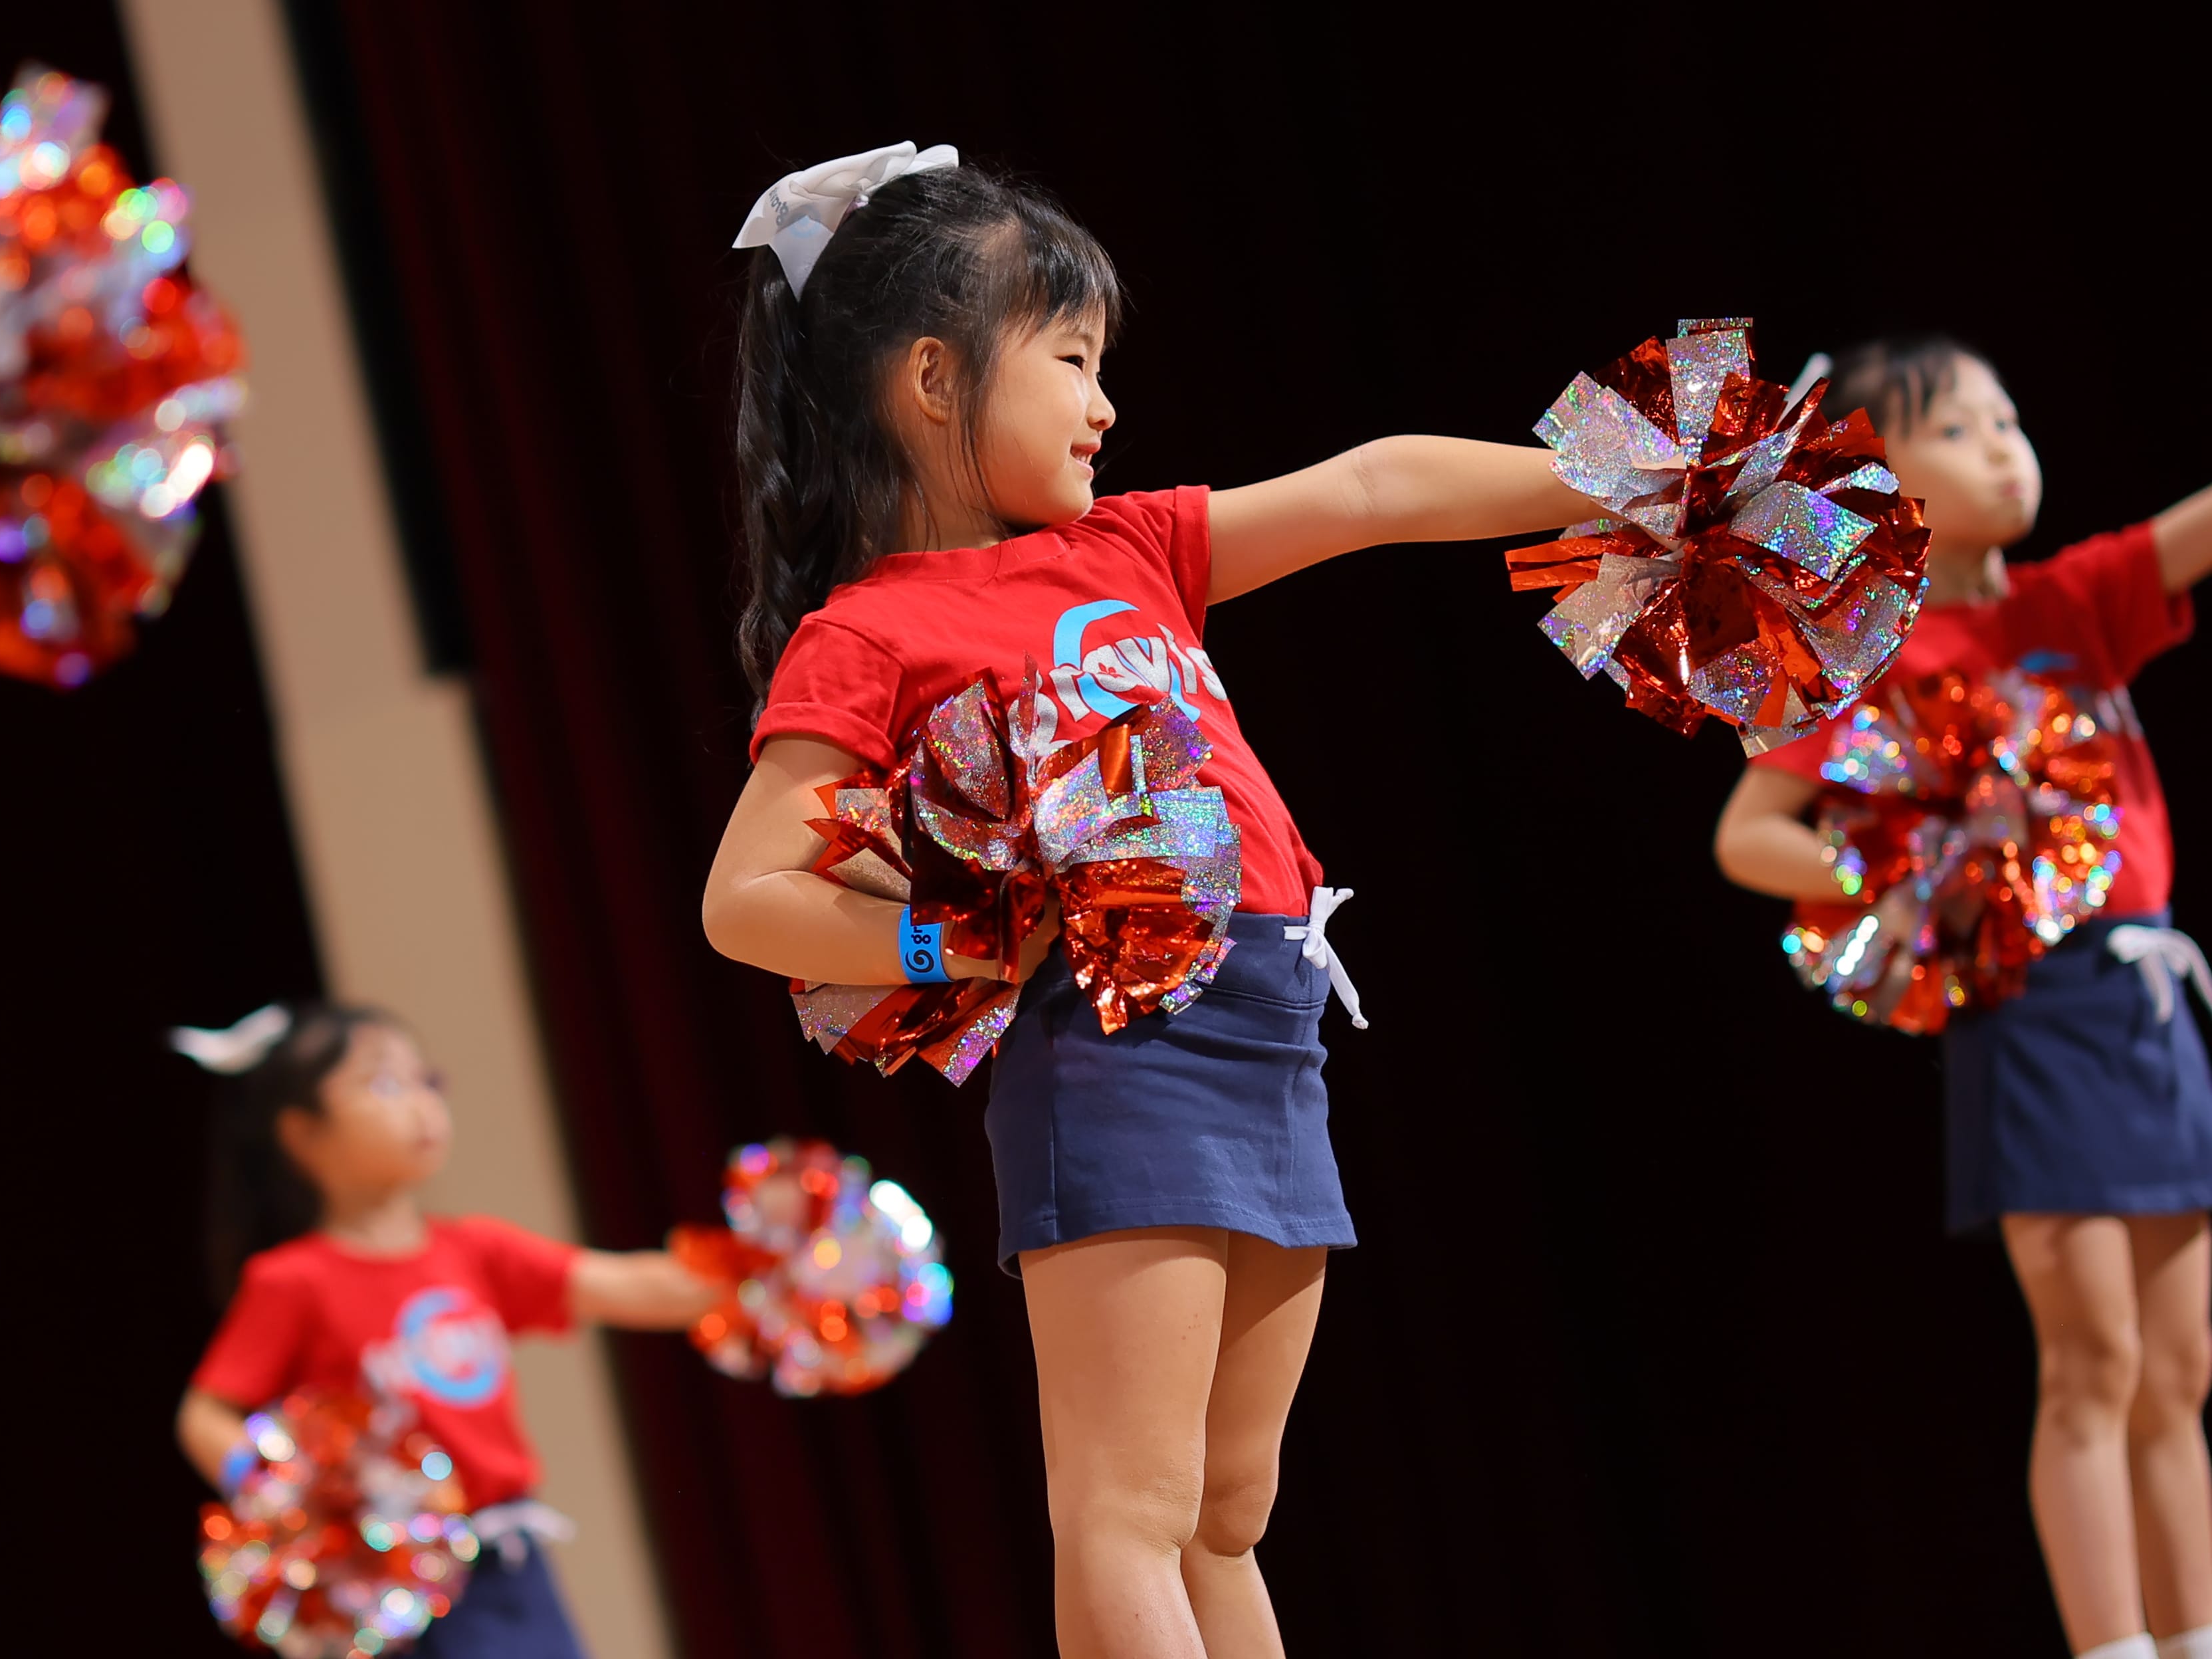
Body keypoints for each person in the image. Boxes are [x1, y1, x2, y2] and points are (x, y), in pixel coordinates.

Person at [701, 142, 1598, 1658]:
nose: (1102, 402)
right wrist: (953, 937)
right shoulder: (865, 631)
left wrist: (1626, 485)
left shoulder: (1123, 547)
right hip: (1117, 1047)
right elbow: (746, 897)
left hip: (1268, 1019)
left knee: (1222, 1508)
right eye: (1068, 359)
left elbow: (1371, 487)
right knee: (1122, 1506)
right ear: (933, 378)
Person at [1716, 336, 2212, 1659]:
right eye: (1961, 429)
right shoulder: (1875, 656)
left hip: (2147, 1001)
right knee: (2095, 1356)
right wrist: (1897, 868)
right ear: (1883, 477)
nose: (2005, 446)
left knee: (2182, 1367)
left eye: (2010, 420)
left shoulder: (2075, 601)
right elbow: (1749, 832)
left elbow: (2193, 530)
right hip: (2027, 1007)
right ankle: (2115, 1647)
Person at [171, 1002, 726, 1659]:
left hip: (505, 1561)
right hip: (388, 1578)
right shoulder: (293, 1281)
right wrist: (293, 1487)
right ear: (303, 1135)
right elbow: (206, 1413)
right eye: (382, 1084)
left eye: (425, 1082)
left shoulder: (474, 1251)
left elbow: (620, 1285)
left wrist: (759, 1272)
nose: (419, 1104)